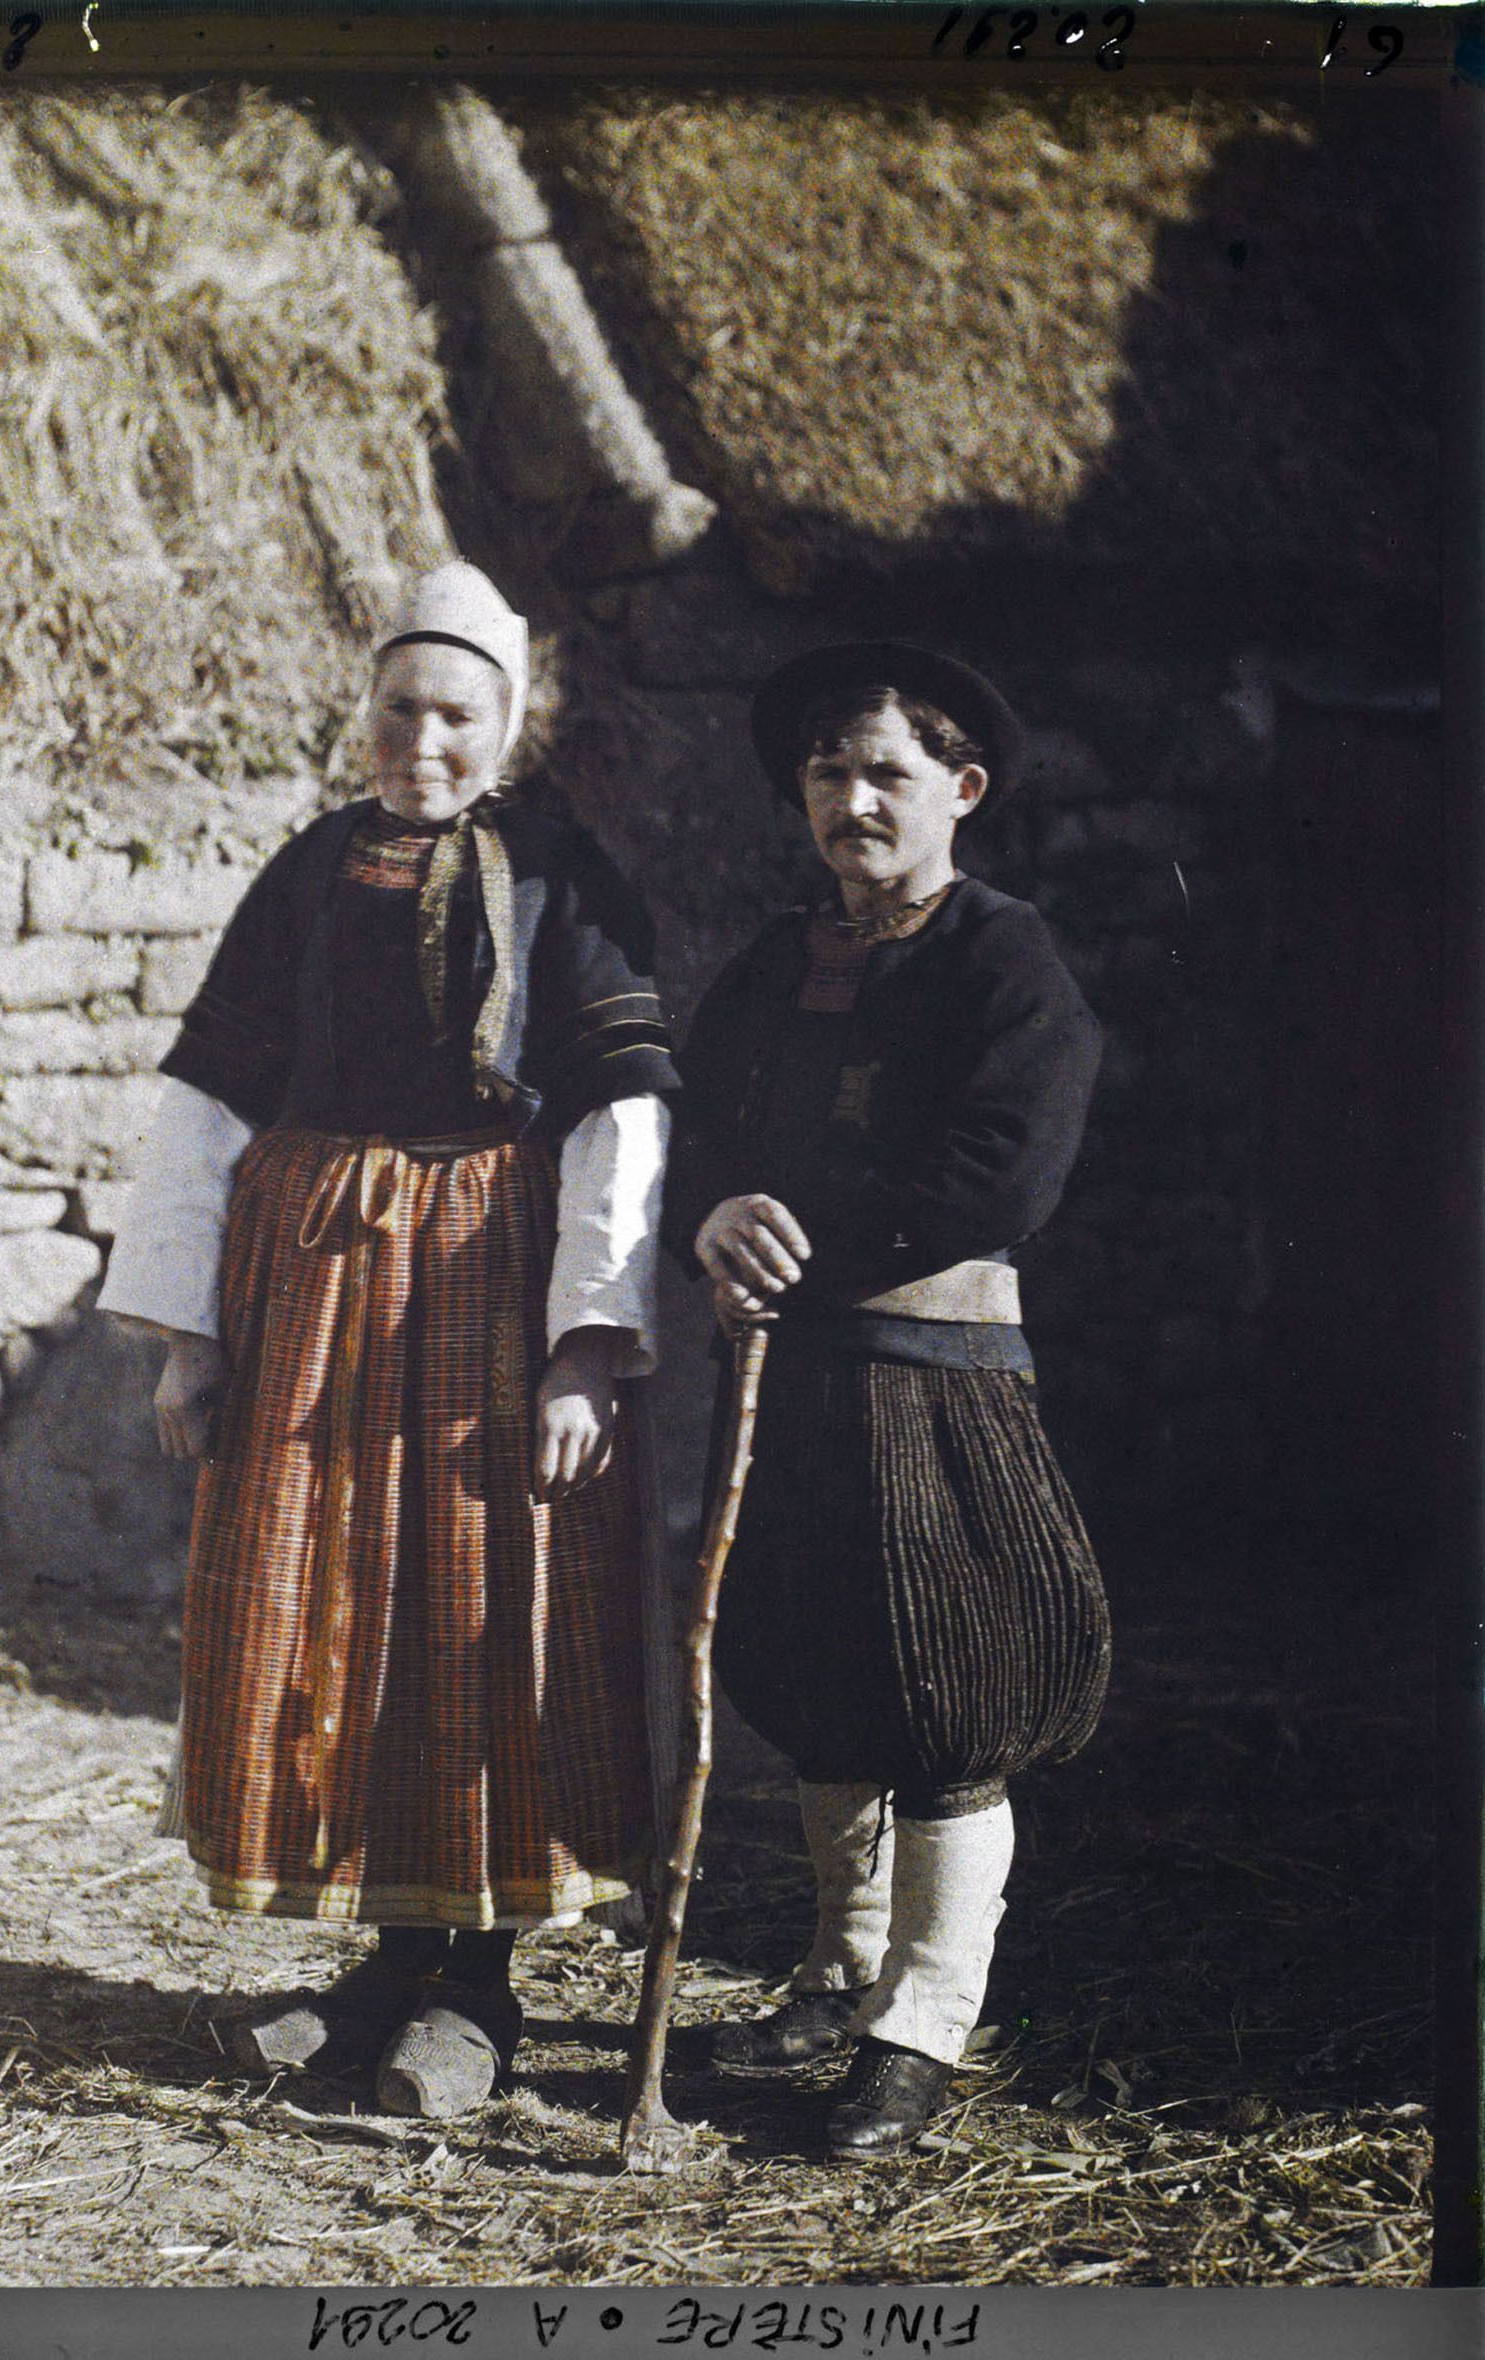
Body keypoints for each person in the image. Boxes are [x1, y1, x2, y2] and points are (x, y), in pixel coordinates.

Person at [99, 562, 680, 2121]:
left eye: (455, 714)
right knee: (332, 1609)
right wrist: (187, 1336)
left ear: (509, 726)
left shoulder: (561, 873)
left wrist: (584, 1344)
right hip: (313, 1304)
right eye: (398, 708)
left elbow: (619, 1107)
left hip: (486, 1297)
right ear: (364, 714)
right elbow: (208, 1099)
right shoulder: (304, 870)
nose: (421, 740)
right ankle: (372, 1968)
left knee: (476, 1612)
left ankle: (471, 1986)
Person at [664, 641, 1111, 2159]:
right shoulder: (771, 968)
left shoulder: (1005, 962)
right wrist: (714, 1225)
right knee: (812, 1673)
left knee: (944, 1688)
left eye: (885, 776)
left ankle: (923, 2020)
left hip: (933, 1376)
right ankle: (836, 1971)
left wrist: (816, 1246)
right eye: (825, 773)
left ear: (959, 792)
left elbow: (1005, 1173)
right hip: (787, 1381)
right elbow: (693, 1138)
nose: (850, 801)